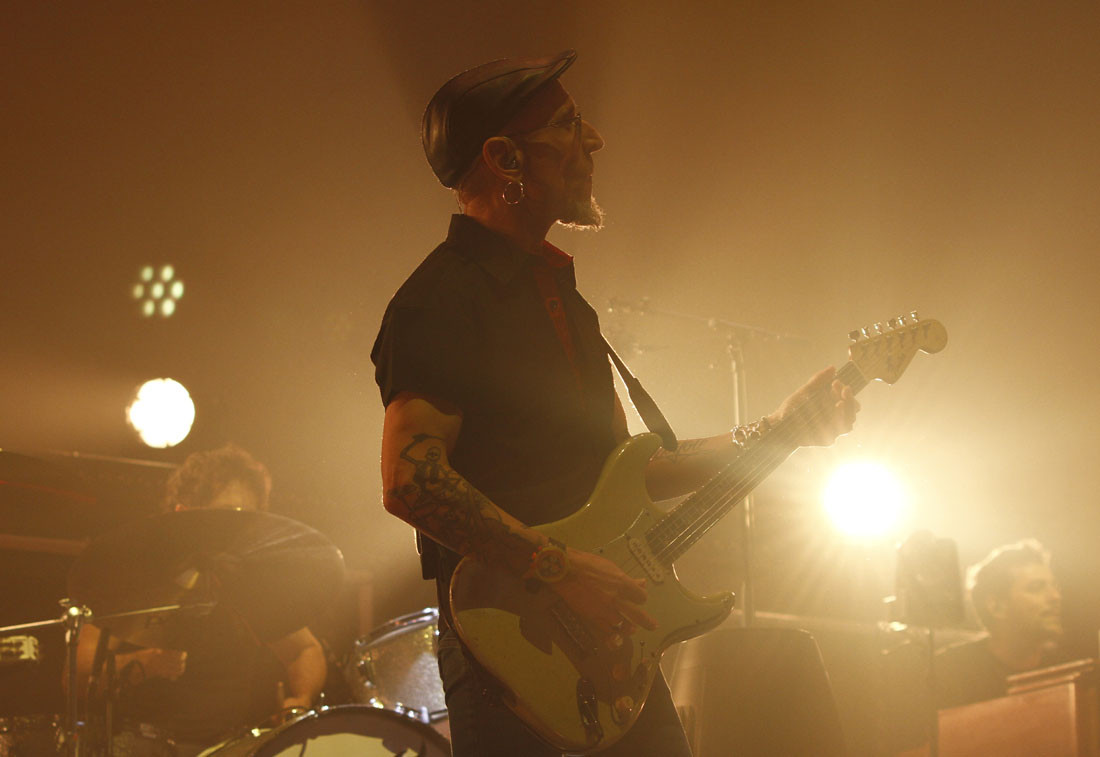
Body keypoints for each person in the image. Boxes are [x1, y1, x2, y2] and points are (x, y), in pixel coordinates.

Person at [371, 50, 859, 756]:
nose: (592, 140)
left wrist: (780, 431)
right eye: (567, 126)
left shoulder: (564, 302)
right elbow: (410, 479)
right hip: (518, 660)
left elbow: (633, 468)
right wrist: (560, 570)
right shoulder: (440, 301)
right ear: (505, 158)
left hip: (610, 651)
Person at [70, 444, 327, 756]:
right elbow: (76, 676)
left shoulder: (250, 587)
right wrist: (144, 663)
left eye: (248, 517)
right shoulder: (135, 578)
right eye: (226, 515)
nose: (237, 527)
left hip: (225, 747)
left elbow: (305, 649)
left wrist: (300, 700)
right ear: (184, 513)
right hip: (136, 745)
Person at [933, 538, 1064, 709]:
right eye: (1036, 587)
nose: (1055, 597)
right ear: (996, 607)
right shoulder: (951, 672)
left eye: (1054, 586)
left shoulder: (1068, 667)